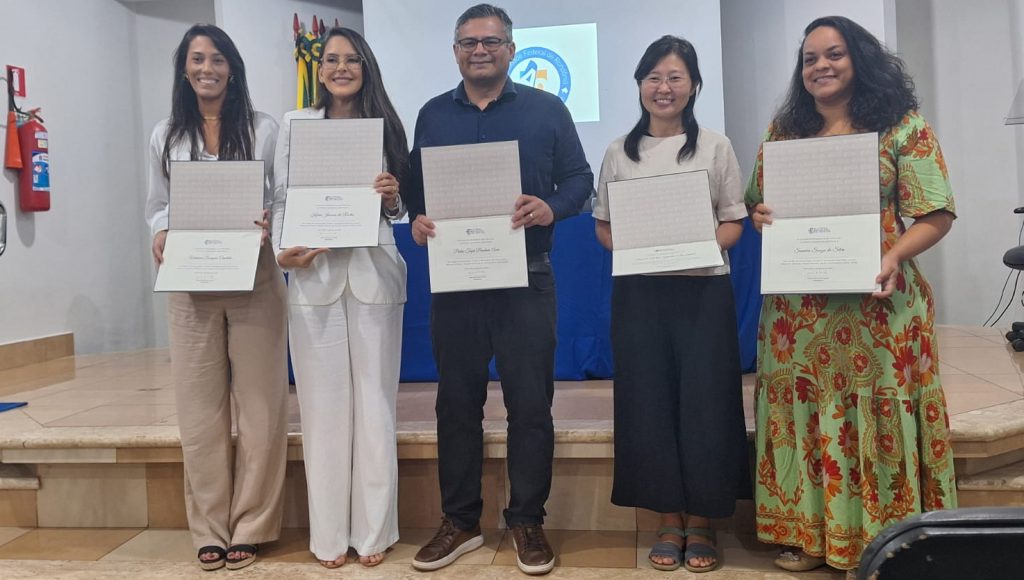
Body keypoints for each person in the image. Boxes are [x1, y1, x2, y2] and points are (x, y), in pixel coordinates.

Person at [746, 16, 957, 579]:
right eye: (810, 58)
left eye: (833, 54)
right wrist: (761, 215)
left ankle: (887, 538)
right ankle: (811, 536)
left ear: (859, 58)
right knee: (808, 416)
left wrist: (892, 255)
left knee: (875, 415)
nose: (821, 66)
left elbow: (936, 215)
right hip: (800, 315)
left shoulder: (901, 127)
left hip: (878, 306)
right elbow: (757, 205)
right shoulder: (783, 133)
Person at [404, 3, 593, 575]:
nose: (479, 50)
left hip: (527, 279)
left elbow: (580, 180)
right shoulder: (433, 115)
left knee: (530, 406)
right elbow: (417, 188)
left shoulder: (547, 109)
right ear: (455, 51)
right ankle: (460, 521)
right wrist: (416, 217)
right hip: (457, 283)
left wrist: (550, 206)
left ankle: (526, 520)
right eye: (468, 42)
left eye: (490, 41)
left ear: (512, 49)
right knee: (455, 405)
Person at [592, 35, 749, 574]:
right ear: (640, 85)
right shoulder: (619, 151)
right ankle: (666, 517)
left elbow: (734, 220)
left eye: (675, 77)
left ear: (693, 86)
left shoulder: (715, 146)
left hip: (702, 290)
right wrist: (639, 251)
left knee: (706, 400)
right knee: (648, 401)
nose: (664, 87)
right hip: (639, 293)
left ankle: (703, 521)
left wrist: (699, 246)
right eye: (654, 77)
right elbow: (604, 227)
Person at [144, 23, 287, 571]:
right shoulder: (166, 134)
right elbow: (157, 202)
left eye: (218, 59)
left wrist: (272, 220)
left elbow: (280, 194)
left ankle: (250, 524)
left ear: (233, 68)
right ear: (185, 68)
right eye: (198, 59)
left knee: (261, 410)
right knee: (199, 412)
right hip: (189, 280)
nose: (208, 68)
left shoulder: (262, 128)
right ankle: (209, 527)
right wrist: (159, 230)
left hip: (254, 279)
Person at [271, 26, 408, 569]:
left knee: (376, 406)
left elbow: (400, 208)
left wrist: (393, 198)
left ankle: (374, 533)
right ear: (319, 68)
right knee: (323, 411)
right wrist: (284, 250)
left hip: (374, 272)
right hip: (314, 275)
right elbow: (282, 197)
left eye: (352, 59)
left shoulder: (386, 125)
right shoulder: (296, 125)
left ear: (366, 66)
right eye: (331, 60)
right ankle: (328, 537)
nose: (341, 68)